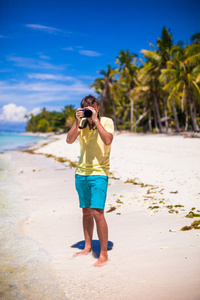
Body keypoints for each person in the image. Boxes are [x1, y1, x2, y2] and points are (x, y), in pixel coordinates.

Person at [66, 95, 114, 267]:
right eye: (85, 109)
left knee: (97, 212)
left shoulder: (106, 121)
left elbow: (108, 140)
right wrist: (77, 120)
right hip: (81, 173)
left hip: (99, 172)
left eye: (91, 109)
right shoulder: (82, 124)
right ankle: (87, 247)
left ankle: (103, 254)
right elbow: (69, 140)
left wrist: (95, 120)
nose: (88, 111)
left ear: (97, 108)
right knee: (86, 211)